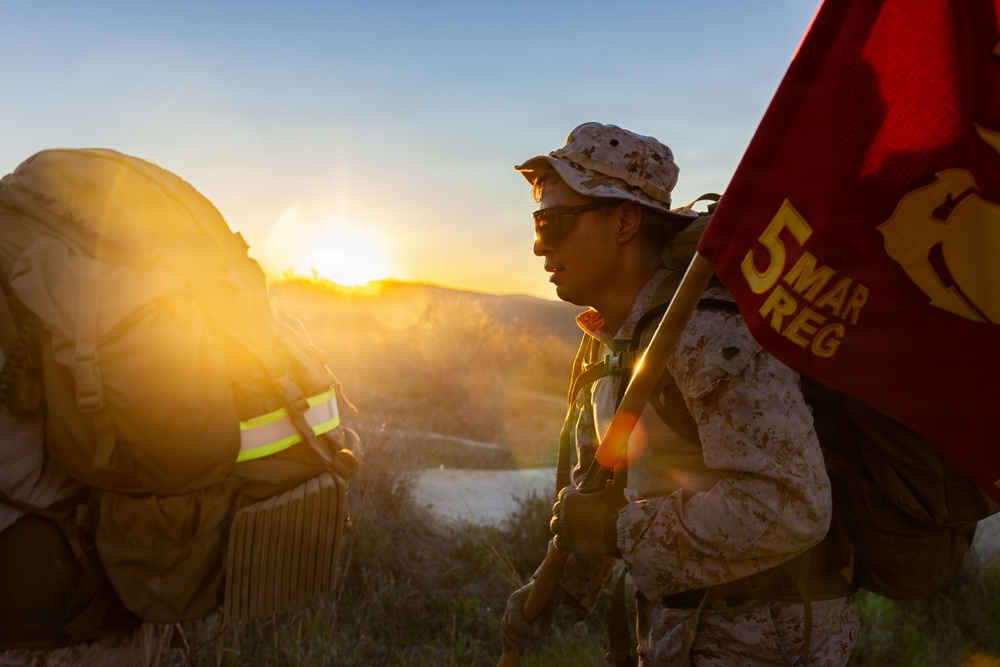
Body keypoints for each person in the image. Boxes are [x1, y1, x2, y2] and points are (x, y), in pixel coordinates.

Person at [500, 122, 858, 666]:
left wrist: (618, 534)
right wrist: (559, 582)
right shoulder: (613, 339)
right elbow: (604, 484)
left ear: (624, 221)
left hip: (766, 640)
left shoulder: (705, 333)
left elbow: (792, 505)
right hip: (678, 632)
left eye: (554, 223)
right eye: (537, 222)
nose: (538, 244)